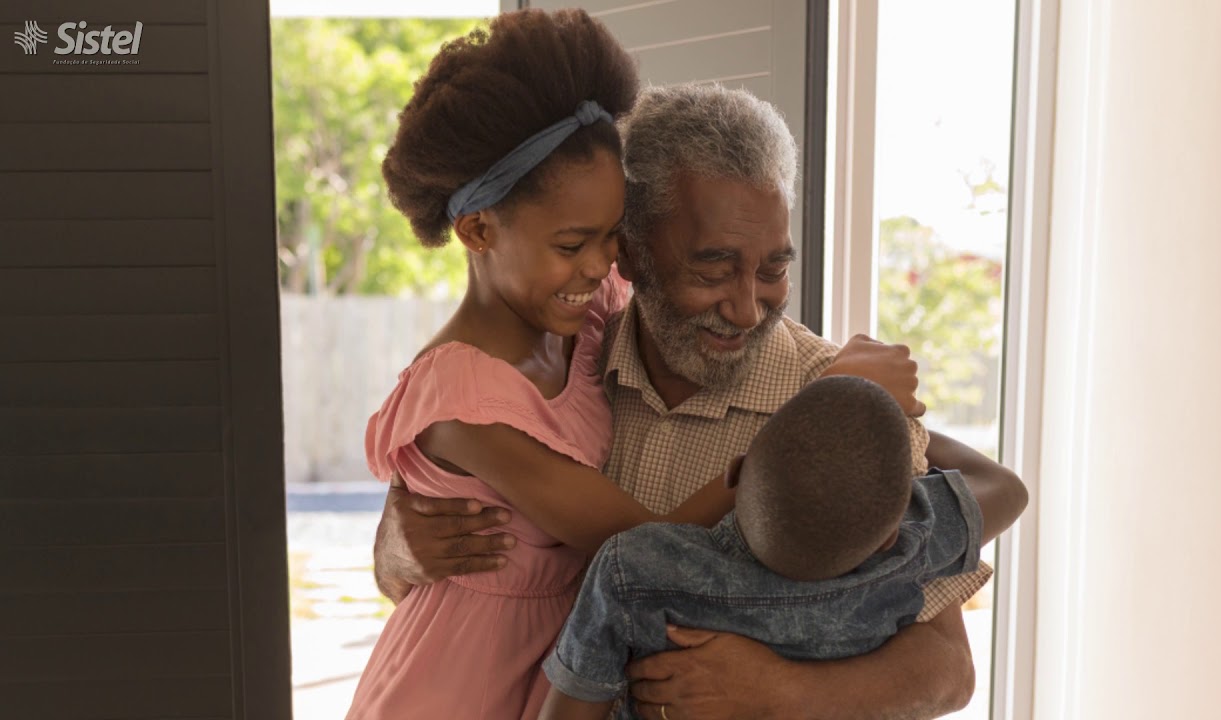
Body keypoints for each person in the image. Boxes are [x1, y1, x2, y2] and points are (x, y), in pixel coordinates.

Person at [373, 83, 1009, 719]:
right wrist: (394, 552)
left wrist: (778, 692)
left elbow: (947, 671)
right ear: (633, 255)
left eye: (772, 270)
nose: (745, 307)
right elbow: (481, 539)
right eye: (711, 271)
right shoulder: (575, 360)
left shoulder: (840, 413)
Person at [345, 11, 738, 720]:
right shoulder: (464, 398)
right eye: (571, 243)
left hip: (561, 665)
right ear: (479, 230)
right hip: (457, 686)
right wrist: (781, 451)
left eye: (612, 234)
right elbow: (638, 544)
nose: (601, 263)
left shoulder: (584, 317)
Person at [537, 377, 1028, 720]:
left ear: (735, 473)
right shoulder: (910, 547)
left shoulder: (635, 567)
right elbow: (1008, 489)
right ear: (888, 534)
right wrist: (900, 437)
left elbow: (571, 706)